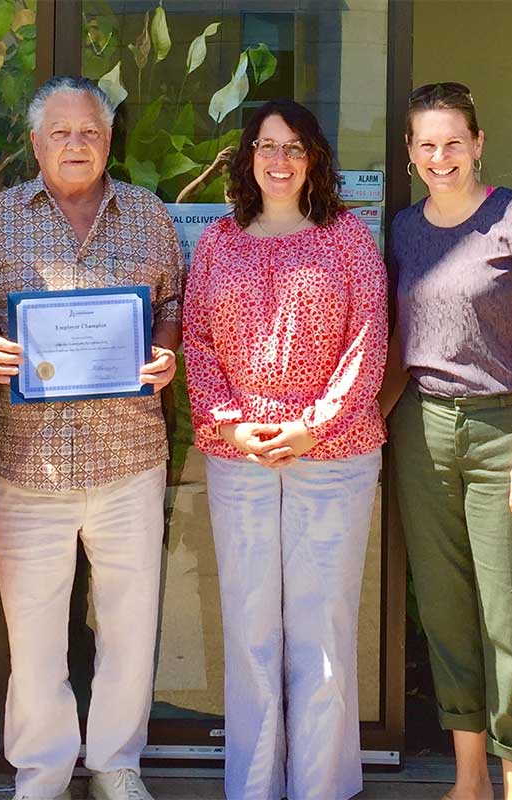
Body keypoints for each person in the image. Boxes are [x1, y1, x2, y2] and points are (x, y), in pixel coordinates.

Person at [0, 76, 184, 800]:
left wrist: (164, 350)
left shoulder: (149, 216)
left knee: (129, 625)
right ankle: (43, 771)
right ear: (35, 143)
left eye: (88, 131)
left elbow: (172, 304)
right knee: (34, 637)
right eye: (59, 133)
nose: (75, 144)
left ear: (110, 139)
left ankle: (117, 764)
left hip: (129, 457)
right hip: (30, 463)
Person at [183, 99, 388, 800]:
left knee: (322, 627)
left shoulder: (347, 240)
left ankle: (320, 788)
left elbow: (369, 342)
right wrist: (230, 424)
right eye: (266, 146)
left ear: (314, 160)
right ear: (247, 158)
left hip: (334, 456)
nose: (279, 160)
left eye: (293, 148)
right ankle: (255, 787)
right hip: (237, 455)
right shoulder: (215, 242)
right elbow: (197, 345)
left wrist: (313, 426)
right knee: (248, 626)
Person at [378, 82, 512, 800]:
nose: (440, 157)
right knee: (445, 611)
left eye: (453, 142)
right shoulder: (404, 230)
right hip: (422, 431)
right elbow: (404, 344)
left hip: (507, 428)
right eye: (426, 145)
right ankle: (469, 782)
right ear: (408, 154)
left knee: (510, 619)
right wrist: (369, 424)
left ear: (478, 143)